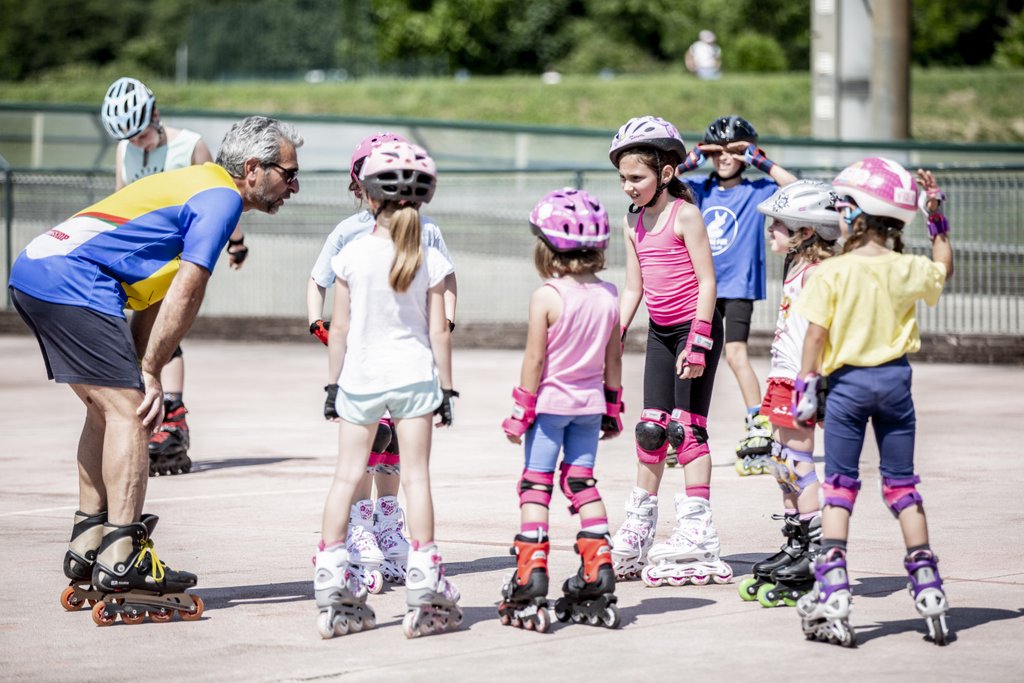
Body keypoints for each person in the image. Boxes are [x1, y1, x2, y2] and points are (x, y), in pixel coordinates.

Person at [9, 115, 303, 625]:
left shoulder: (196, 186)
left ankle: (91, 538)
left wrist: (143, 365)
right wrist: (148, 373)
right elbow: (189, 287)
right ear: (253, 169)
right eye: (289, 173)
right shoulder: (221, 200)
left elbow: (156, 297)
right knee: (131, 412)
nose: (294, 186)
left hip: (38, 268)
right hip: (71, 279)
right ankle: (123, 556)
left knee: (106, 410)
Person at [793, 159, 954, 648]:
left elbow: (816, 337)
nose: (839, 214)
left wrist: (806, 387)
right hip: (896, 383)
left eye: (844, 207)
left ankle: (835, 591)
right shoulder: (907, 268)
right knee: (902, 485)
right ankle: (928, 588)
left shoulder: (832, 272)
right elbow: (943, 266)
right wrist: (937, 214)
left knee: (840, 486)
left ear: (859, 215)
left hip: (847, 387)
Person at [315, 141, 461, 640]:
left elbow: (338, 329)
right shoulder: (429, 257)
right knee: (416, 478)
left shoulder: (352, 254)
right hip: (416, 377)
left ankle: (335, 582)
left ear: (369, 196)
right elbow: (440, 330)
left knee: (345, 478)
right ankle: (424, 584)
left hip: (359, 379)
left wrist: (334, 386)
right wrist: (447, 389)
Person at [101, 76, 251, 477]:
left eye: (142, 133)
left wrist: (235, 243)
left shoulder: (190, 144)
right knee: (137, 338)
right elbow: (122, 203)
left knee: (161, 332)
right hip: (144, 259)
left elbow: (222, 195)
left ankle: (173, 412)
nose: (138, 144)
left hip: (183, 254)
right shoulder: (124, 151)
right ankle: (161, 412)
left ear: (156, 114)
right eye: (130, 138)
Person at [607, 115, 732, 587]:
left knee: (687, 431)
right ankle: (640, 526)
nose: (628, 187)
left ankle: (697, 529)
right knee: (650, 431)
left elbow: (708, 281)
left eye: (636, 177)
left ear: (666, 173)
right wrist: (612, 334)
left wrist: (700, 339)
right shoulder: (632, 221)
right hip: (660, 333)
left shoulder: (685, 215)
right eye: (622, 178)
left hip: (695, 330)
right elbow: (633, 286)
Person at [498, 188, 623, 632]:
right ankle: (599, 563)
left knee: (536, 486)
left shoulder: (546, 296)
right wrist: (613, 408)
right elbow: (614, 360)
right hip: (589, 409)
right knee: (581, 482)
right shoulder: (610, 296)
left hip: (550, 408)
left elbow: (534, 361)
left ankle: (531, 573)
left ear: (546, 247)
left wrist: (520, 412)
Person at [675, 115, 798, 476]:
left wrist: (758, 159)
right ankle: (683, 422)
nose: (724, 158)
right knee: (692, 352)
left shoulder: (756, 190)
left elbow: (794, 188)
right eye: (718, 152)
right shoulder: (700, 188)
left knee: (735, 354)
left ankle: (757, 422)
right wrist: (694, 157)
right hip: (702, 285)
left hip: (739, 286)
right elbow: (668, 183)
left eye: (733, 151)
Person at [736, 181, 839, 607]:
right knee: (782, 464)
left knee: (797, 464)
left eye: (778, 223)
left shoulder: (819, 273)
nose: (770, 230)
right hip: (782, 378)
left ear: (807, 230)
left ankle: (816, 553)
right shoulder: (797, 265)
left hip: (800, 380)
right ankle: (796, 544)